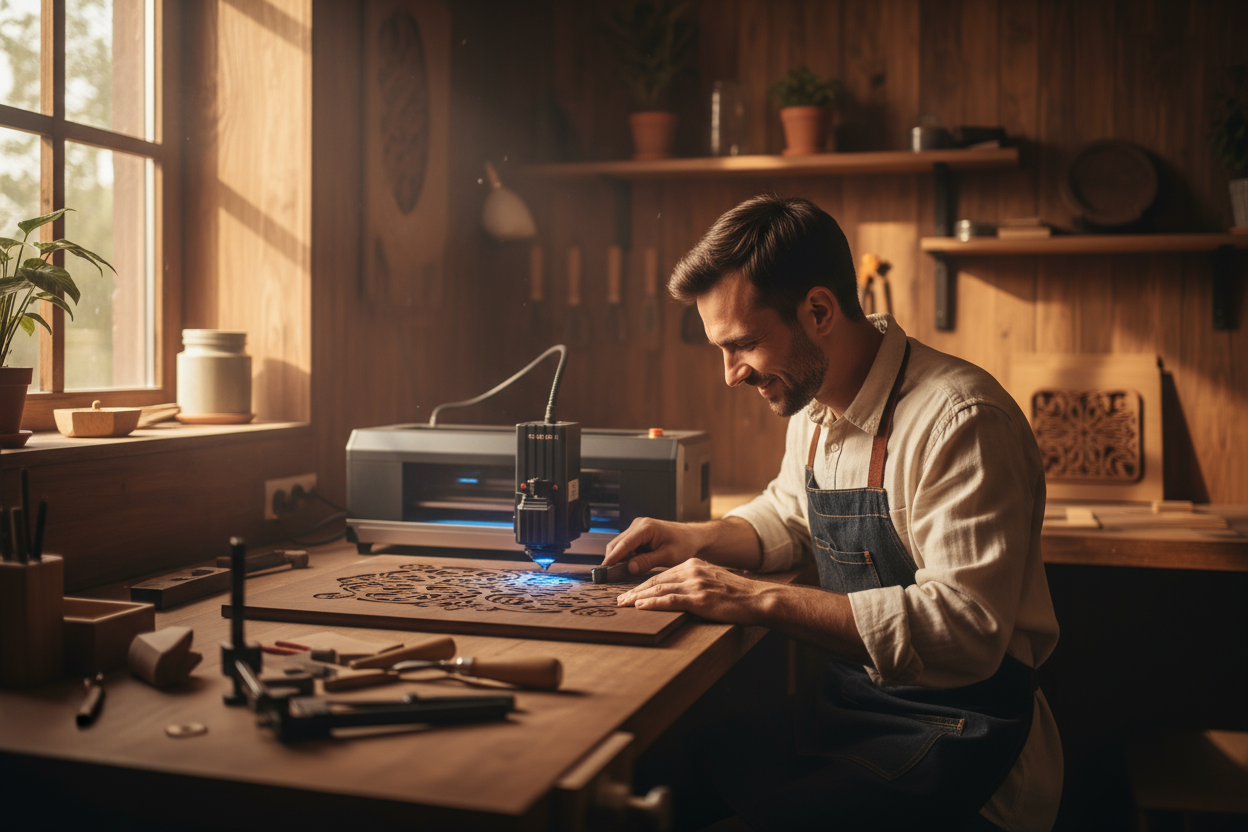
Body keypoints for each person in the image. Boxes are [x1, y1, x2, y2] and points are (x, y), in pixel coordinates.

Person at [604, 195, 1061, 831]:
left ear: (818, 311)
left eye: (743, 344)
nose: (731, 375)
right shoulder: (814, 405)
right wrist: (693, 540)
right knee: (652, 783)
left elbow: (965, 630)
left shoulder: (960, 421)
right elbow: (790, 516)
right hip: (854, 707)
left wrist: (754, 597)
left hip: (965, 737)